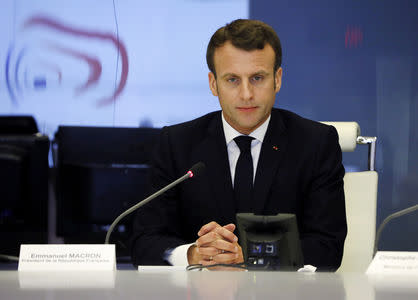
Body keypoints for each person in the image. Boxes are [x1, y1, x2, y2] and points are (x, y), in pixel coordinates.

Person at [131, 19, 347, 271]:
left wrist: (245, 256)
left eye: (257, 78)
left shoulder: (316, 143)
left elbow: (327, 247)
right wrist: (194, 254)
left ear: (277, 79)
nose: (246, 94)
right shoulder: (176, 144)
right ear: (213, 83)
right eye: (232, 80)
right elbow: (144, 242)